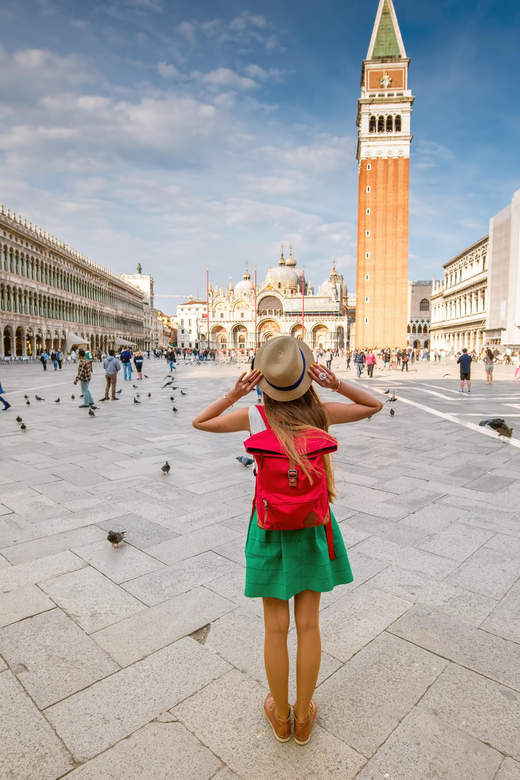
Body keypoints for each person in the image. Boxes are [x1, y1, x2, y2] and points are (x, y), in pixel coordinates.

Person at [192, 337, 383, 745]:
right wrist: (336, 385)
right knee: (309, 626)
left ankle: (281, 718)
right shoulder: (321, 413)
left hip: (267, 526)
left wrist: (235, 393)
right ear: (304, 376)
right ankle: (304, 719)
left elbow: (201, 422)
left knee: (274, 628)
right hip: (314, 526)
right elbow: (374, 406)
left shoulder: (254, 417)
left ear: (265, 381)